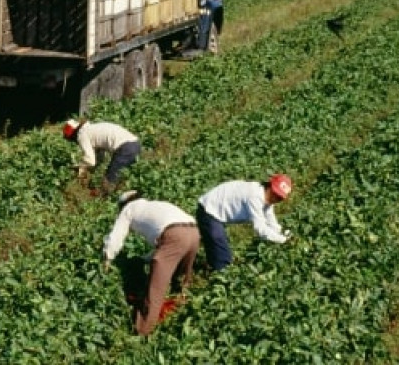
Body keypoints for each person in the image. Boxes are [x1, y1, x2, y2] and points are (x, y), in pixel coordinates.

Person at [101, 190, 199, 337]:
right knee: (180, 281)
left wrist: (107, 258)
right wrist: (145, 259)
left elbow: (117, 235)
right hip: (194, 232)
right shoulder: (154, 206)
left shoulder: (129, 209)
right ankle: (184, 314)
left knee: (155, 290)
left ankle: (142, 331)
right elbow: (165, 246)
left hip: (174, 235)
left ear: (123, 204)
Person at [195, 174, 293, 272]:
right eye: (275, 194)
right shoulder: (255, 196)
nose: (275, 199)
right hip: (208, 210)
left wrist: (282, 234)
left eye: (279, 198)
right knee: (223, 258)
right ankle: (217, 276)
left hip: (217, 211)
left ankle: (209, 264)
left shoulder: (266, 197)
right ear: (269, 186)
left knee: (216, 244)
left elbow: (271, 220)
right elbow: (260, 228)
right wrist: (282, 240)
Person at [63, 119, 141, 195]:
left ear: (73, 134)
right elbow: (100, 158)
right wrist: (90, 171)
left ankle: (101, 199)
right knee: (124, 178)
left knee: (109, 181)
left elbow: (90, 161)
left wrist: (79, 166)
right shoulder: (92, 129)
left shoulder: (82, 134)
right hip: (135, 144)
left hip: (125, 148)